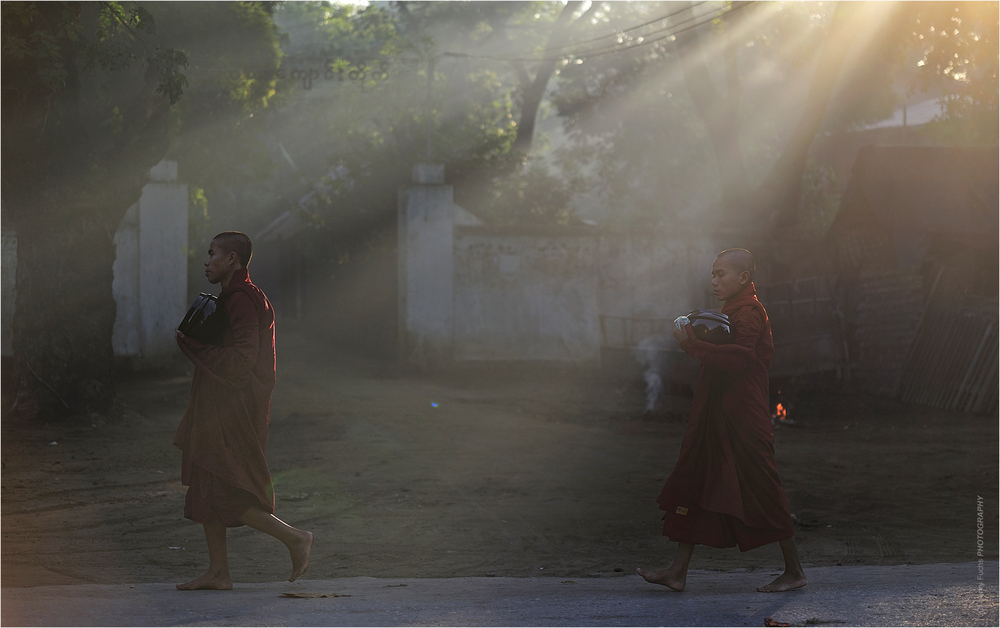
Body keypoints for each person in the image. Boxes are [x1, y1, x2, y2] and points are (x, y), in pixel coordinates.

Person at [636, 248, 806, 593]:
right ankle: (677, 571)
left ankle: (794, 571)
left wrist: (693, 345)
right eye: (712, 274)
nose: (714, 281)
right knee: (700, 483)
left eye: (721, 274)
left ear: (744, 278)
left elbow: (739, 360)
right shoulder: (734, 310)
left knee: (764, 490)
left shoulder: (750, 313)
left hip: (745, 418)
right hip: (724, 414)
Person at [173, 231, 313, 591]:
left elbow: (242, 361)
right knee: (208, 482)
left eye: (212, 254)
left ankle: (295, 538)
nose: (206, 261)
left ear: (231, 259)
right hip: (221, 404)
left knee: (228, 487)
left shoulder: (242, 299)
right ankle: (218, 571)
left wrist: (193, 347)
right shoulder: (238, 296)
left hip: (233, 407)